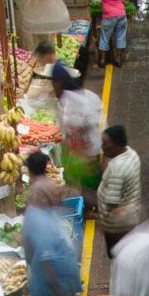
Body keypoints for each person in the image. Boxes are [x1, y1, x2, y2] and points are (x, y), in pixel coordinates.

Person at [21, 203, 83, 296]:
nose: (58, 192)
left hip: (59, 292)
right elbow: (47, 265)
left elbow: (28, 249)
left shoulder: (44, 213)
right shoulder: (42, 223)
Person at [54, 65, 104, 201]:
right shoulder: (87, 94)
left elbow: (77, 123)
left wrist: (78, 138)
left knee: (89, 181)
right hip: (89, 147)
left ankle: (94, 208)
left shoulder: (69, 99)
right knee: (88, 181)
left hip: (86, 149)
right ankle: (92, 205)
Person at [98, 125, 147, 257]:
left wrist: (96, 212)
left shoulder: (117, 169)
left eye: (105, 144)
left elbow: (111, 203)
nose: (102, 147)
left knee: (118, 255)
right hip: (131, 217)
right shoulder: (131, 153)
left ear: (116, 146)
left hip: (116, 227)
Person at [94, 0, 137, 67]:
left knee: (104, 37)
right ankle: (119, 60)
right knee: (120, 37)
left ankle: (103, 60)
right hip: (121, 13)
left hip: (108, 15)